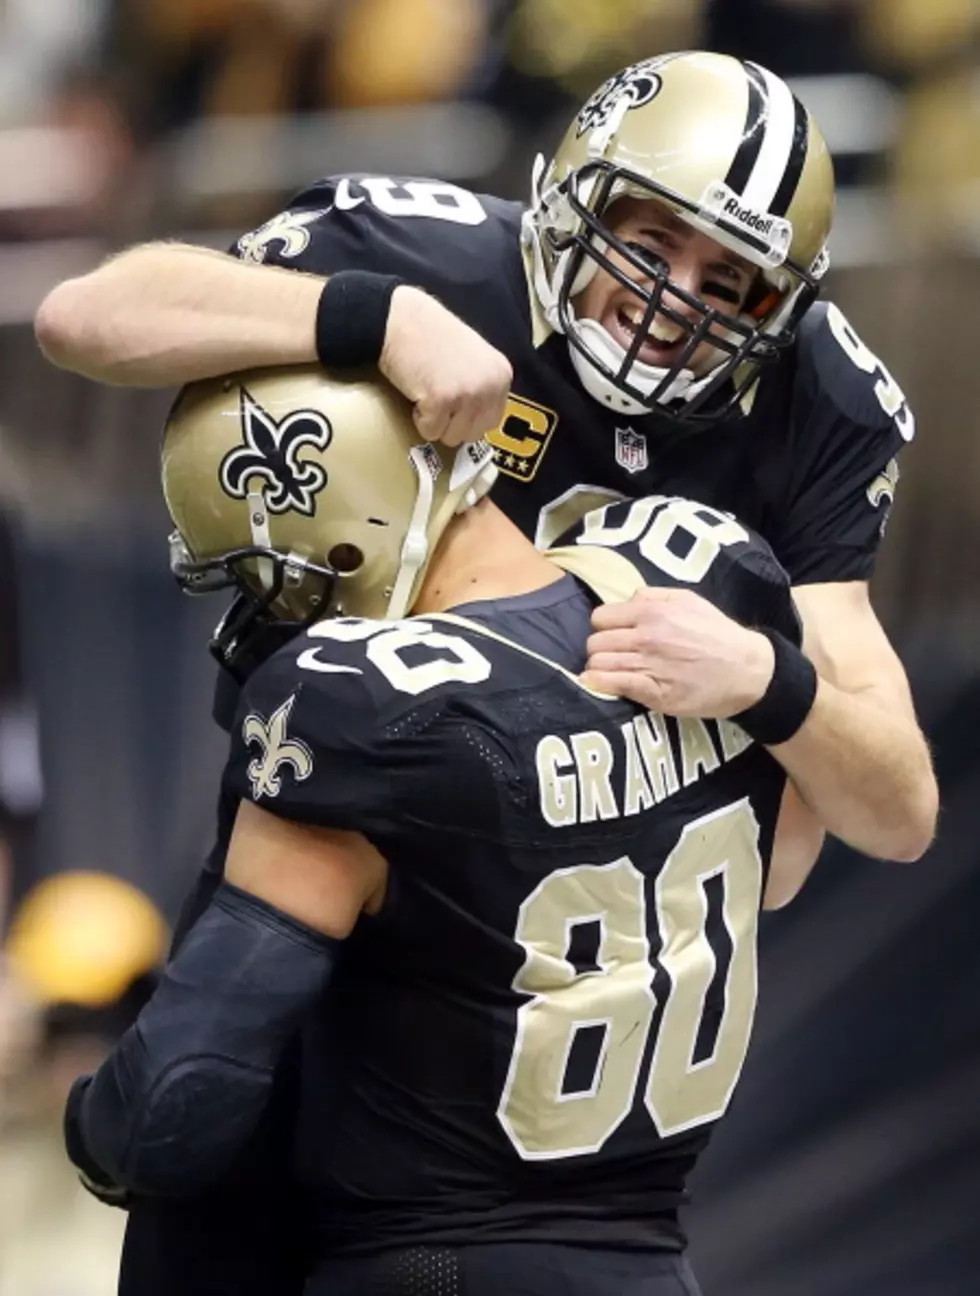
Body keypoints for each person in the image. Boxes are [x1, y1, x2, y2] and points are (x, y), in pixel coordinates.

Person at [36, 46, 937, 1292]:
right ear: (568, 199)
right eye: (650, 240)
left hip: (541, 983)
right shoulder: (437, 261)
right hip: (324, 847)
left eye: (728, 279)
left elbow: (894, 808)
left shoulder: (811, 399)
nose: (675, 299)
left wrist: (764, 678)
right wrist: (367, 315)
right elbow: (83, 317)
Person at [67, 366, 825, 1296]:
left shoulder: (364, 705)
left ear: (348, 534)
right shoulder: (708, 607)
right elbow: (788, 857)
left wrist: (89, 1125)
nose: (269, 613)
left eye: (274, 576)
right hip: (649, 1264)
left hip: (424, 1265)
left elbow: (173, 1106)